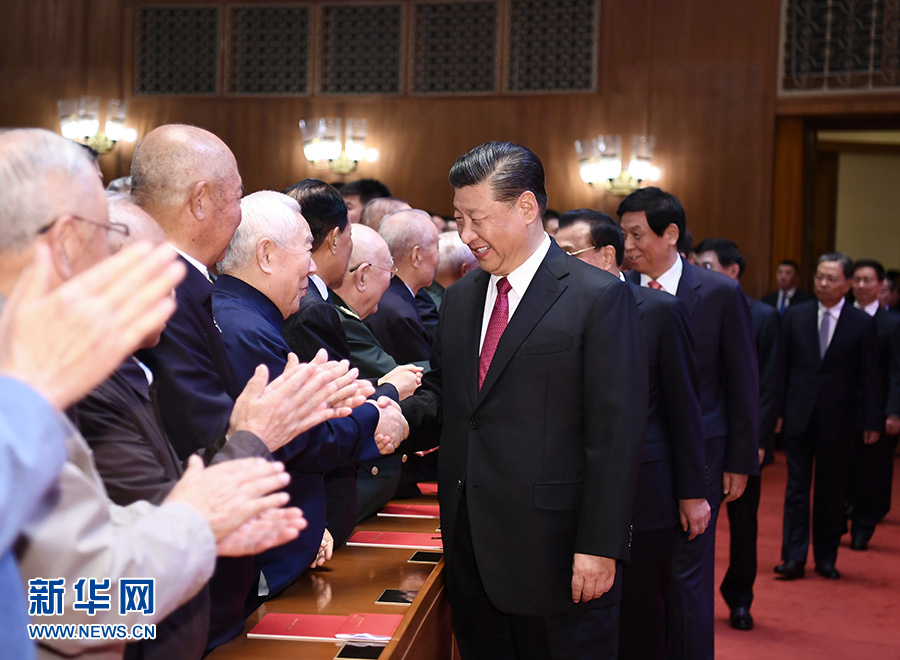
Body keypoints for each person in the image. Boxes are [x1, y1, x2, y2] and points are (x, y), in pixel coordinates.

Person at [0, 128, 306, 660]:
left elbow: (55, 569)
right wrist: (196, 524)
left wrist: (188, 517)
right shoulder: (27, 382)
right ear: (66, 242)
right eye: (104, 229)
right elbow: (76, 610)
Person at [401, 142, 648, 659]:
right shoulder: (461, 298)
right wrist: (393, 421)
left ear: (527, 207)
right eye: (459, 219)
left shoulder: (598, 296)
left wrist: (600, 545)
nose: (466, 235)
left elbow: (616, 435)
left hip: (557, 555)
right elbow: (448, 396)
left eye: (478, 219)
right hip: (471, 546)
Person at [212, 190, 408, 594]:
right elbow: (299, 439)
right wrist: (373, 414)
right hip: (258, 552)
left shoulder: (243, 316)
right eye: (306, 249)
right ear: (266, 255)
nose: (314, 265)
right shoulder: (248, 331)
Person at [556, 209, 707, 660]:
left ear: (607, 256)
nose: (558, 263)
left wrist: (692, 492)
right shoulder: (557, 309)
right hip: (575, 487)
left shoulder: (660, 310)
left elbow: (685, 408)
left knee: (642, 613)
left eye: (569, 253)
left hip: (647, 488)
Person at [618, 187, 759, 660]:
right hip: (641, 458)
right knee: (641, 575)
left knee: (688, 573)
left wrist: (740, 461)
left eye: (637, 234)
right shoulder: (620, 291)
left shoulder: (719, 292)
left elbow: (742, 381)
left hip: (705, 455)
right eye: (624, 235)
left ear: (671, 233)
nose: (628, 245)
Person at [694, 237, 784, 631]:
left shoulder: (764, 316)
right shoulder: (690, 305)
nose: (700, 272)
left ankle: (740, 598)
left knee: (744, 524)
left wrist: (758, 442)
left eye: (708, 266)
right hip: (704, 436)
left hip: (745, 439)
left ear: (733, 270)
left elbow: (765, 385)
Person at [777, 252, 882, 581]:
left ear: (847, 284)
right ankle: (793, 557)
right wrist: (776, 413)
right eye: (819, 276)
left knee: (831, 491)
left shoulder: (861, 323)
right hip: (798, 414)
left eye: (831, 278)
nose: (823, 283)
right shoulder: (796, 315)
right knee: (796, 489)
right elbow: (781, 368)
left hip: (839, 419)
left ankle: (825, 557)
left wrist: (871, 421)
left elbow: (871, 377)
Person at [846, 259, 900, 550]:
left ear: (881, 285)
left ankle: (862, 528)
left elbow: (896, 372)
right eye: (857, 280)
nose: (861, 286)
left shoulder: (892, 323)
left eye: (868, 280)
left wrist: (893, 411)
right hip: (842, 407)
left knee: (872, 472)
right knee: (843, 470)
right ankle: (840, 519)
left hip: (876, 410)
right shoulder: (842, 316)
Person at [365, 209, 440, 364]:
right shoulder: (399, 313)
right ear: (416, 256)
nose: (439, 258)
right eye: (437, 247)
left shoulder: (387, 294)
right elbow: (424, 372)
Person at [421, 230, 478, 311]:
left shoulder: (420, 296)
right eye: (478, 265)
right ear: (464, 271)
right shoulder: (454, 309)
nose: (482, 271)